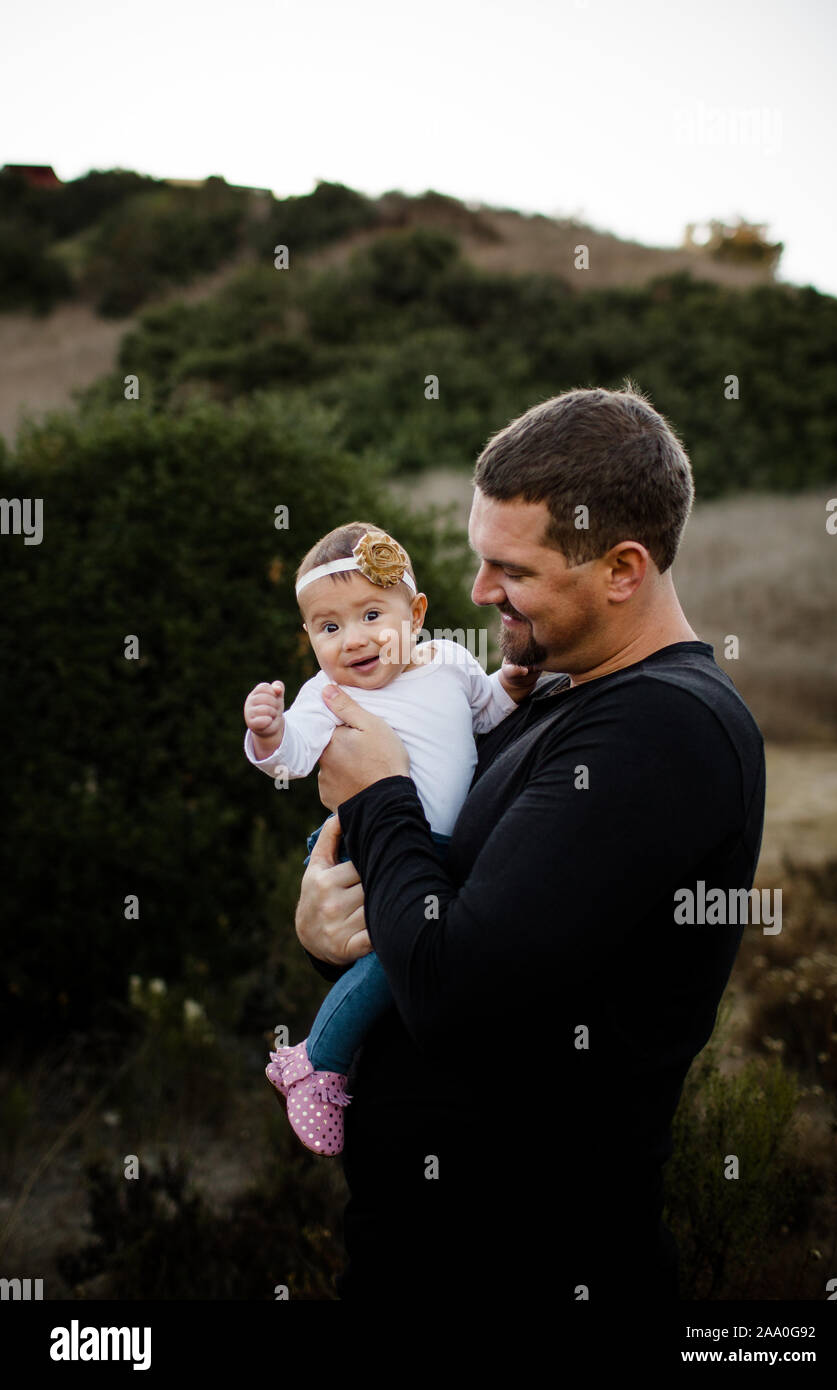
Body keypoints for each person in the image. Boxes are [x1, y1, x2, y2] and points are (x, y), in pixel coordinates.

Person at [294, 384, 766, 1305]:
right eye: (479, 559)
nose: (478, 593)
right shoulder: (555, 695)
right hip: (420, 1261)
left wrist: (380, 792)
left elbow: (456, 990)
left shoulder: (659, 731)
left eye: (511, 569)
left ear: (623, 568)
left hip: (529, 1268)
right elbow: (433, 922)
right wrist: (331, 930)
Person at [243, 522, 539, 1154]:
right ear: (310, 640)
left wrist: (512, 687)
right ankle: (316, 1062)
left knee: (410, 961)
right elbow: (292, 757)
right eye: (328, 628)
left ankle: (361, 1071)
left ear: (418, 612)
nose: (352, 640)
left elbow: (487, 712)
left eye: (371, 614)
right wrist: (268, 735)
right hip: (372, 848)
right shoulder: (326, 696)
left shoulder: (452, 664)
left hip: (430, 849)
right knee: (391, 962)